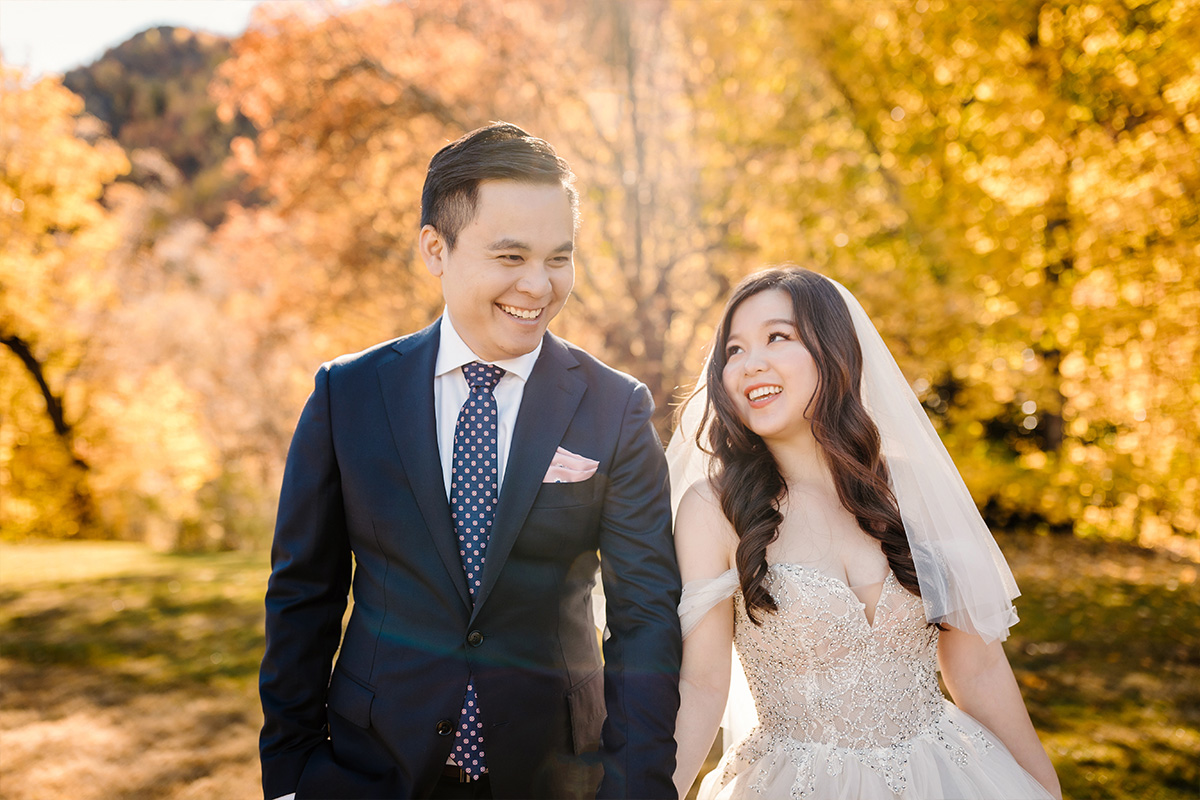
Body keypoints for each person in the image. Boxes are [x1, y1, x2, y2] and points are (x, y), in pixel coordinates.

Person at [259, 122, 682, 800]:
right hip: (372, 768)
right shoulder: (347, 394)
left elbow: (646, 620)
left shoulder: (616, 408)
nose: (539, 286)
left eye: (559, 258)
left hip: (555, 773)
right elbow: (303, 596)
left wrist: (635, 788)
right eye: (510, 257)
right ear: (436, 249)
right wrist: (290, 774)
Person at [668, 267, 1061, 799]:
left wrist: (1042, 787)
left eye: (777, 337)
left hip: (944, 773)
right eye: (733, 350)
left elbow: (979, 668)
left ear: (834, 352)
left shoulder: (911, 486)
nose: (749, 363)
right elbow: (702, 685)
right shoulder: (714, 508)